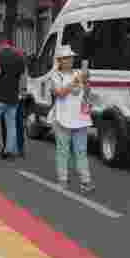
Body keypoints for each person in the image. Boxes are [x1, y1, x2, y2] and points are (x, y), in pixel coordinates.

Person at [47, 45, 94, 193]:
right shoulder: (55, 76)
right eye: (66, 58)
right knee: (63, 150)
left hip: (81, 118)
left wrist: (86, 83)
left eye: (71, 58)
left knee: (81, 150)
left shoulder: (79, 73)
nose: (69, 60)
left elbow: (86, 94)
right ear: (59, 61)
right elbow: (59, 93)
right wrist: (73, 82)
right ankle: (63, 179)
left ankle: (85, 181)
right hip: (63, 118)